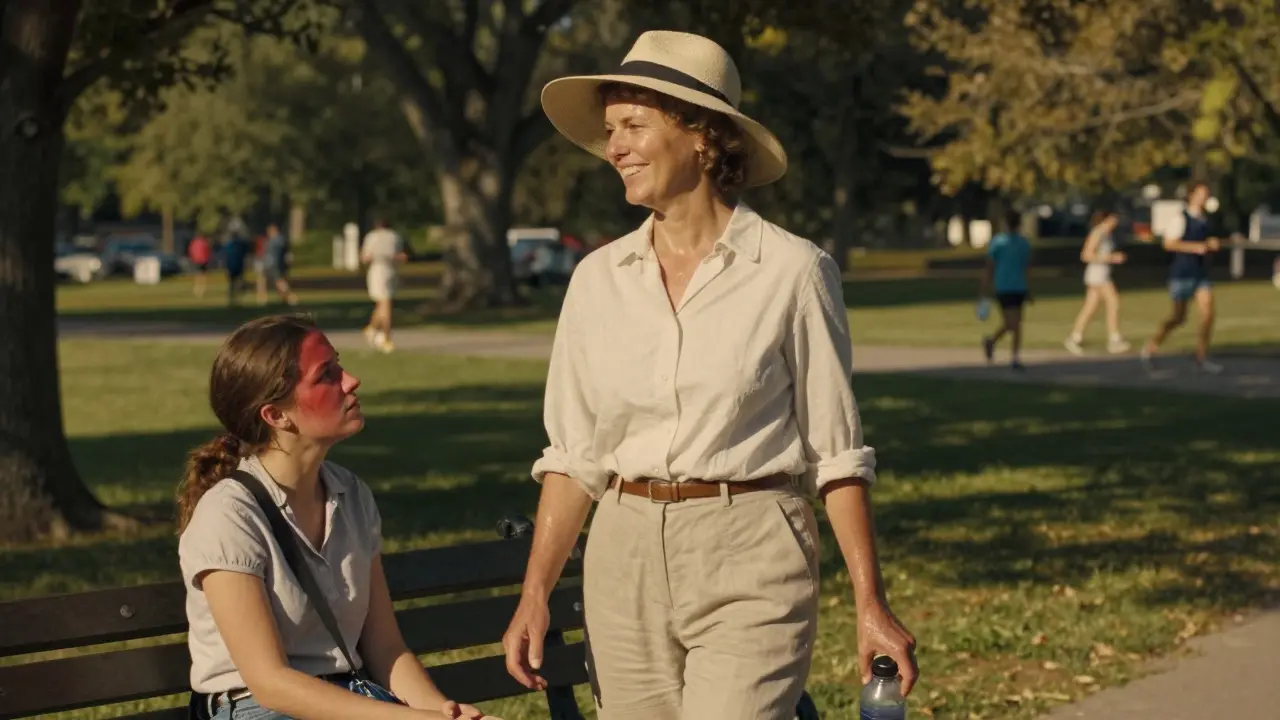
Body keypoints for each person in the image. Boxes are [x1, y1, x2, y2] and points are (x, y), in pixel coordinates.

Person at [500, 31, 917, 719]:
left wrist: (870, 601)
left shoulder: (792, 272)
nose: (615, 148)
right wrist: (536, 592)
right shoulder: (597, 281)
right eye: (610, 131)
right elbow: (574, 457)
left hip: (751, 543)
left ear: (701, 137)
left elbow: (836, 453)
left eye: (634, 126)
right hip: (622, 551)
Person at [176, 315, 496, 720]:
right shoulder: (229, 514)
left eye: (339, 365)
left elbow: (385, 649)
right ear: (275, 416)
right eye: (327, 375)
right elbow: (270, 683)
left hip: (349, 700)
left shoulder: (351, 494)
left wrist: (446, 712)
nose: (352, 380)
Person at [1140, 182, 1223, 374]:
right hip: (1182, 273)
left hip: (1200, 273)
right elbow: (1169, 244)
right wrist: (1195, 247)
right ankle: (1152, 345)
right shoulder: (1180, 218)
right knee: (1178, 317)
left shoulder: (1204, 219)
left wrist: (1211, 244)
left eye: (1206, 194)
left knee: (1208, 312)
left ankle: (1201, 356)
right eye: (1201, 193)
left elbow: (1205, 242)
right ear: (1192, 196)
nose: (1204, 197)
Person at [1064, 210, 1130, 355]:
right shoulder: (1097, 233)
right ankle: (1114, 339)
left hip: (1102, 274)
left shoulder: (1107, 235)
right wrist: (1111, 258)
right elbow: (1086, 255)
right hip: (1097, 275)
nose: (1115, 222)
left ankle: (1074, 338)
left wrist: (1112, 258)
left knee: (1090, 307)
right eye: (1113, 219)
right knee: (1113, 302)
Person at [981, 209, 1033, 370]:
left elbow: (1025, 267)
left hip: (1018, 287)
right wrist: (985, 286)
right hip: (1004, 286)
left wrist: (1028, 288)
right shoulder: (999, 242)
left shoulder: (1022, 243)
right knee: (1012, 323)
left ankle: (1014, 356)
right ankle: (993, 342)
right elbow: (990, 266)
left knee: (1016, 324)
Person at [360, 219, 407, 354]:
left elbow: (365, 257)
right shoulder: (395, 237)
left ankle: (378, 332)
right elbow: (401, 255)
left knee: (383, 303)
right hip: (390, 270)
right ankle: (379, 333)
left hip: (377, 270)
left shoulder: (372, 237)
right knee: (384, 302)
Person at [263, 223, 300, 306]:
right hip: (280, 263)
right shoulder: (282, 240)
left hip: (274, 264)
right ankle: (283, 299)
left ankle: (291, 297)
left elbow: (270, 255)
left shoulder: (273, 241)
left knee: (280, 281)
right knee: (280, 281)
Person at [189, 233, 212, 299]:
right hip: (202, 260)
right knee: (202, 275)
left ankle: (197, 288)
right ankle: (201, 288)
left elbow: (191, 250)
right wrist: (208, 258)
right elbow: (207, 251)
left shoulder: (194, 243)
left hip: (196, 260)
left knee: (198, 274)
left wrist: (192, 257)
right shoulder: (204, 242)